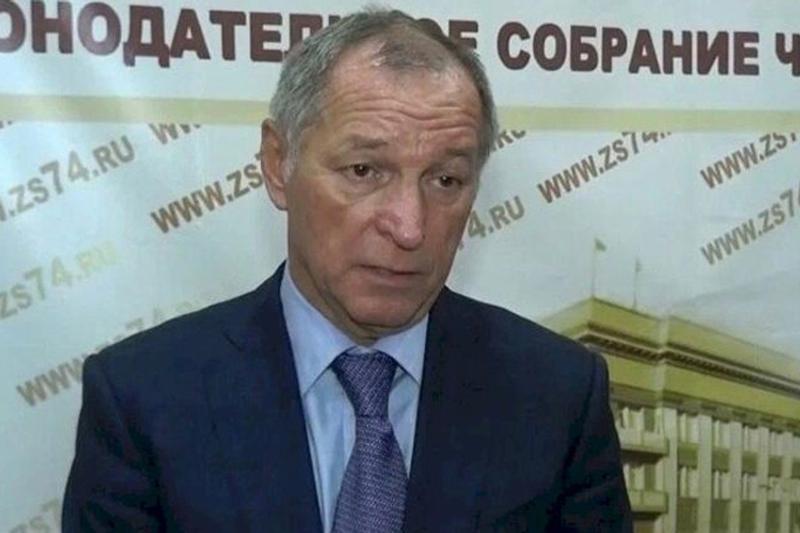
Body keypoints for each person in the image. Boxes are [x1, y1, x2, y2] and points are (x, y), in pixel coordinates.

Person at [63, 8, 632, 532]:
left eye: (446, 180)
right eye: (364, 170)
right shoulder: (144, 398)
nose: (409, 227)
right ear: (278, 164)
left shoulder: (557, 396)